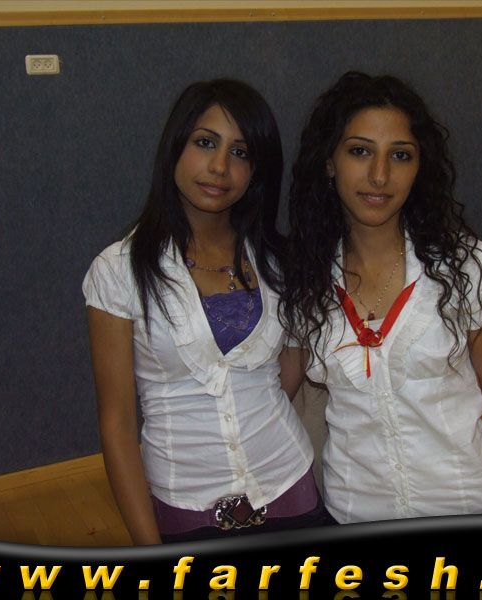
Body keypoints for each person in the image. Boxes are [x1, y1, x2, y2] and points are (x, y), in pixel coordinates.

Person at [83, 79, 328, 544]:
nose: (219, 167)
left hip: (290, 486)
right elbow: (117, 425)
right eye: (205, 143)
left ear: (256, 170)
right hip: (186, 507)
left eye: (240, 152)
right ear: (175, 147)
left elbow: (290, 364)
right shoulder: (118, 270)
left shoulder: (278, 262)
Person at [280, 72, 482, 524]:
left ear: (419, 167)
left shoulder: (466, 266)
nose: (380, 175)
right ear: (330, 162)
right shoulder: (303, 280)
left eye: (400, 155)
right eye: (359, 151)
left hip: (464, 508)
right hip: (355, 514)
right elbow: (273, 393)